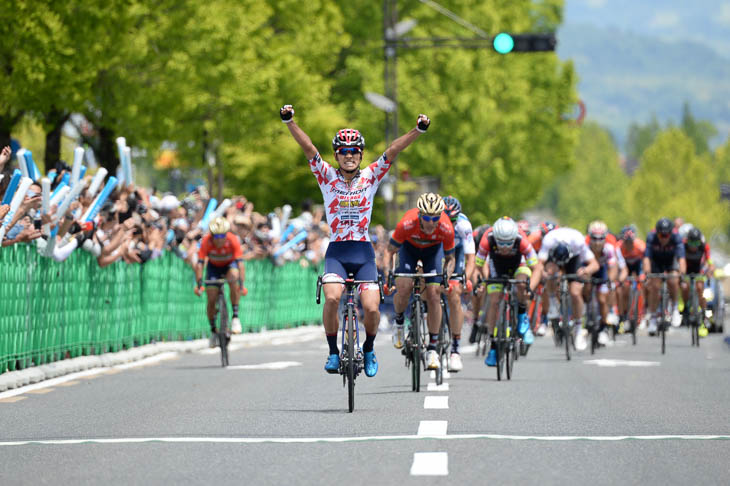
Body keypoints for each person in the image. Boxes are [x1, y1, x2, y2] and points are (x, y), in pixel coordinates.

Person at [280, 104, 430, 377]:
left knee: (372, 307)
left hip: (363, 252)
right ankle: (333, 353)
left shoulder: (371, 177)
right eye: (343, 151)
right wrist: (290, 122)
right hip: (337, 250)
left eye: (354, 151)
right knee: (333, 298)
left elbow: (393, 150)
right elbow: (309, 148)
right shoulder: (327, 177)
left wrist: (417, 130)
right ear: (337, 155)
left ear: (360, 154)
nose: (349, 156)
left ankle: (369, 348)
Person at [384, 193, 455, 371]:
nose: (431, 222)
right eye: (426, 218)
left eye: (435, 218)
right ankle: (399, 323)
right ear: (419, 215)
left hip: (433, 253)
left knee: (433, 294)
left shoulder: (446, 227)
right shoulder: (407, 223)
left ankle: (432, 347)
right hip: (408, 250)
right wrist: (388, 274)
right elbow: (389, 251)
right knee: (404, 286)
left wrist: (446, 276)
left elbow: (450, 258)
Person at [476, 217, 541, 366]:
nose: (505, 247)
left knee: (522, 285)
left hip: (519, 264)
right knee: (493, 300)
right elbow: (478, 265)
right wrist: (485, 281)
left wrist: (530, 288)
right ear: (495, 238)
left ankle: (522, 317)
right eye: (501, 243)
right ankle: (493, 346)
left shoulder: (522, 240)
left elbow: (536, 268)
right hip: (496, 266)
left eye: (508, 243)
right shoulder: (487, 239)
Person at [534, 226, 599, 351]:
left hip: (573, 259)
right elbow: (539, 264)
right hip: (553, 258)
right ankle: (553, 302)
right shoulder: (549, 240)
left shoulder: (578, 242)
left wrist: (585, 270)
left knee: (575, 292)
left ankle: (579, 329)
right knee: (550, 272)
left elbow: (594, 264)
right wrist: (544, 274)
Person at [194, 217, 246, 345]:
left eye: (222, 236)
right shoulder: (206, 241)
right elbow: (200, 264)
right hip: (213, 268)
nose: (219, 239)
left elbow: (240, 265)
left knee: (233, 278)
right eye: (216, 236)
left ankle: (235, 317)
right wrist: (199, 283)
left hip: (230, 265)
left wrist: (241, 285)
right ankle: (213, 331)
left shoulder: (233, 240)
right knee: (211, 298)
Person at [442, 196, 475, 372]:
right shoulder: (431, 221)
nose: (449, 223)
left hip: (457, 252)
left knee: (454, 293)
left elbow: (471, 259)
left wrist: (465, 279)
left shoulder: (463, 225)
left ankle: (455, 348)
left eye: (452, 220)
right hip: (437, 250)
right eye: (446, 219)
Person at [583, 221, 626, 344]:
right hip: (589, 270)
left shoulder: (609, 248)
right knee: (585, 288)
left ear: (605, 238)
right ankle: (585, 316)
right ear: (589, 237)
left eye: (601, 238)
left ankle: (603, 327)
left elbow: (613, 268)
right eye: (594, 238)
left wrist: (609, 281)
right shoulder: (584, 248)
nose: (597, 242)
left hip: (603, 271)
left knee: (602, 299)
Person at [643, 217, 685, 335]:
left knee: (673, 280)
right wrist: (647, 272)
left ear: (671, 234)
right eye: (661, 235)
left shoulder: (677, 237)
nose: (663, 238)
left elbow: (681, 259)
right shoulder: (651, 237)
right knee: (654, 286)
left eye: (666, 236)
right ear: (657, 233)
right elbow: (647, 258)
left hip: (670, 262)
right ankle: (653, 318)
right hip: (656, 262)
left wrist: (681, 273)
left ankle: (675, 308)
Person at [681, 227, 714, 336]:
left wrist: (710, 270)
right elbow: (679, 261)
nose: (694, 246)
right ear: (687, 241)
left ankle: (704, 314)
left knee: (700, 287)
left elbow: (710, 263)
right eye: (691, 243)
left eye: (696, 243)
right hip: (686, 269)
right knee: (685, 286)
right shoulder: (683, 246)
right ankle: (686, 307)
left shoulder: (704, 246)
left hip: (699, 269)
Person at [616, 225, 646, 331]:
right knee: (623, 288)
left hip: (638, 266)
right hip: (625, 267)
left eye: (630, 242)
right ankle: (623, 314)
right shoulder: (618, 247)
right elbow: (617, 266)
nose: (628, 245)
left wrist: (643, 275)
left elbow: (646, 262)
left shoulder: (640, 246)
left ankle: (640, 315)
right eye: (626, 242)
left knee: (641, 286)